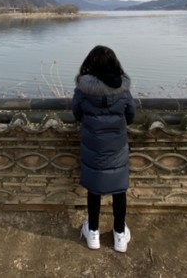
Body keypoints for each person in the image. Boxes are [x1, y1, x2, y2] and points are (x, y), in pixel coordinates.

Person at [72, 45, 136, 253]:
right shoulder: (123, 90)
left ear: (90, 64)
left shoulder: (83, 90)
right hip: (116, 147)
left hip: (93, 146)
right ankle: (119, 235)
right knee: (119, 190)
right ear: (114, 64)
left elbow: (76, 114)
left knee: (94, 190)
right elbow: (131, 115)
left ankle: (93, 233)